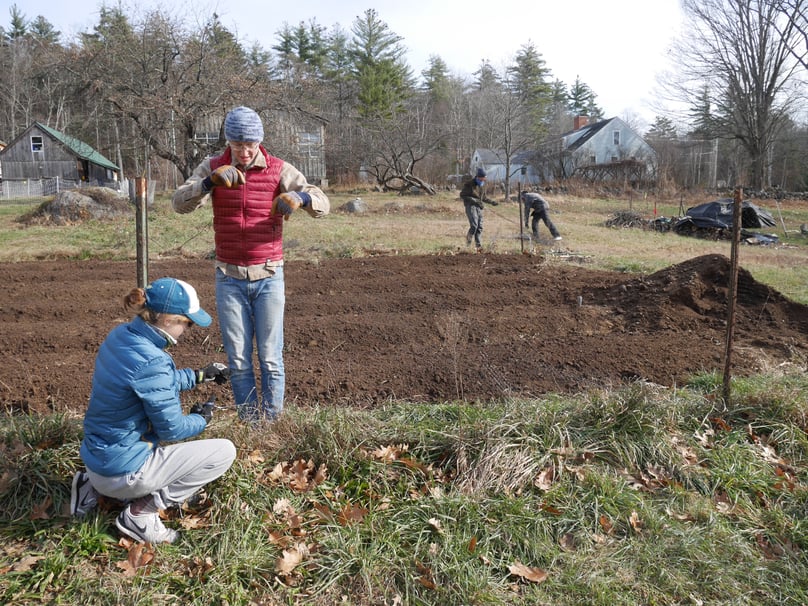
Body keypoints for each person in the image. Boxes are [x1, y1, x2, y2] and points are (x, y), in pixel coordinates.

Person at [172, 106, 330, 422]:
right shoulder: (213, 167)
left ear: (259, 141)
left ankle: (272, 424)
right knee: (239, 360)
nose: (244, 152)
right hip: (229, 277)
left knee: (271, 358)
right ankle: (250, 424)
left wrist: (302, 199)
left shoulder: (279, 169)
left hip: (269, 275)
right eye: (237, 145)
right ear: (228, 142)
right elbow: (178, 204)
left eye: (250, 145)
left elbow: (323, 202)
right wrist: (208, 184)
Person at [71, 277, 236, 544]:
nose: (189, 329)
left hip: (96, 459)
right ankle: (140, 514)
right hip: (121, 472)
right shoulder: (153, 360)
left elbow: (151, 383)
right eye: (188, 322)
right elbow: (171, 429)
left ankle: (88, 487)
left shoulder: (121, 337)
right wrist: (201, 419)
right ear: (170, 320)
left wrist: (199, 375)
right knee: (224, 452)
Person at [460, 167, 498, 250]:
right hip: (470, 206)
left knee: (479, 227)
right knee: (474, 225)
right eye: (482, 178)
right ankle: (467, 245)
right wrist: (474, 200)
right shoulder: (469, 184)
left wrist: (492, 202)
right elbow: (462, 195)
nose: (484, 180)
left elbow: (483, 198)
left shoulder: (482, 186)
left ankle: (478, 246)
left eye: (485, 178)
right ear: (478, 177)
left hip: (479, 207)